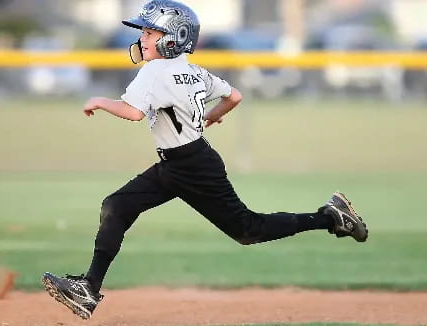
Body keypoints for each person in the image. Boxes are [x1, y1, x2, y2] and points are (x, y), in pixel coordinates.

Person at [41, 0, 368, 320]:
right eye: (144, 31)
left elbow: (134, 113)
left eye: (150, 32)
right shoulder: (193, 70)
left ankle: (329, 217)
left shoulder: (155, 71)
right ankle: (88, 288)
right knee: (117, 205)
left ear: (173, 37)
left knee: (248, 229)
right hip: (182, 162)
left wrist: (99, 100)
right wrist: (210, 117)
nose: (142, 37)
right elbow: (234, 96)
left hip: (192, 167)